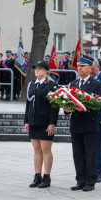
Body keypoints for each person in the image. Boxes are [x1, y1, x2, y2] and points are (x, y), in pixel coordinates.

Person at [64, 55, 101, 192]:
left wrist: (84, 109)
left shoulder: (96, 84)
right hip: (76, 125)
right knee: (78, 154)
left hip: (89, 125)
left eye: (82, 66)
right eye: (78, 66)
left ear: (90, 68)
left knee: (90, 155)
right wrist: (66, 109)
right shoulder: (73, 84)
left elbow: (99, 106)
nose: (79, 68)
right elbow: (68, 104)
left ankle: (90, 181)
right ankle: (80, 180)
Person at [24, 60, 59, 188]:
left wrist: (52, 123)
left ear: (46, 71)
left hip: (45, 122)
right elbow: (28, 104)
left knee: (46, 150)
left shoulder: (52, 85)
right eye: (36, 68)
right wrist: (26, 121)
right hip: (33, 121)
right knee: (36, 150)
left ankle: (46, 177)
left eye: (39, 68)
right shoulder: (32, 84)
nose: (37, 70)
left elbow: (54, 107)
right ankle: (37, 176)